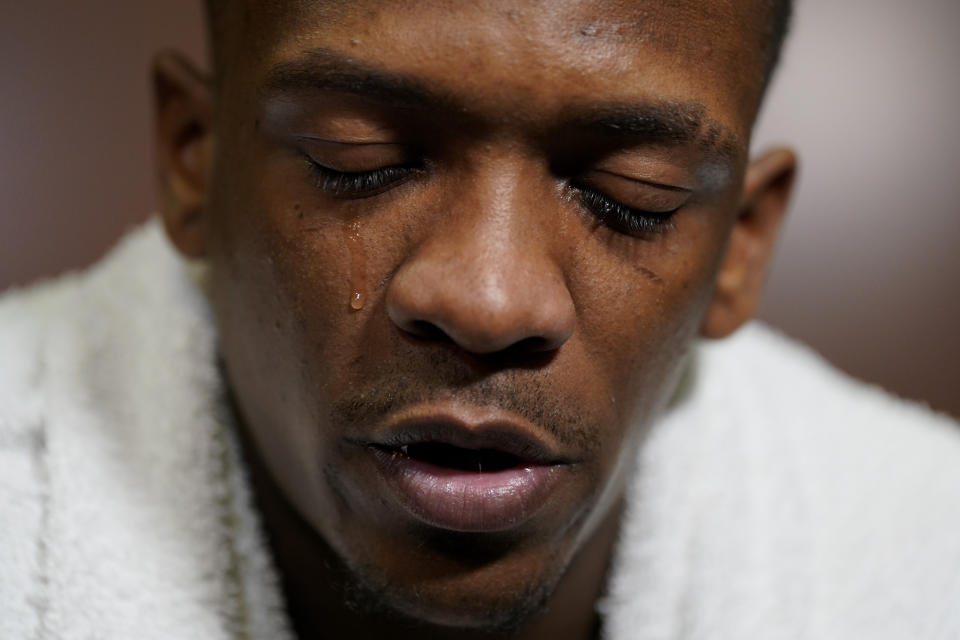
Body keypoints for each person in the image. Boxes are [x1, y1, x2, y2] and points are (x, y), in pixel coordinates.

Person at [2, 1, 959, 638]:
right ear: (190, 163)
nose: (489, 300)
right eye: (357, 157)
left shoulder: (923, 559)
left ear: (740, 248)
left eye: (636, 193)